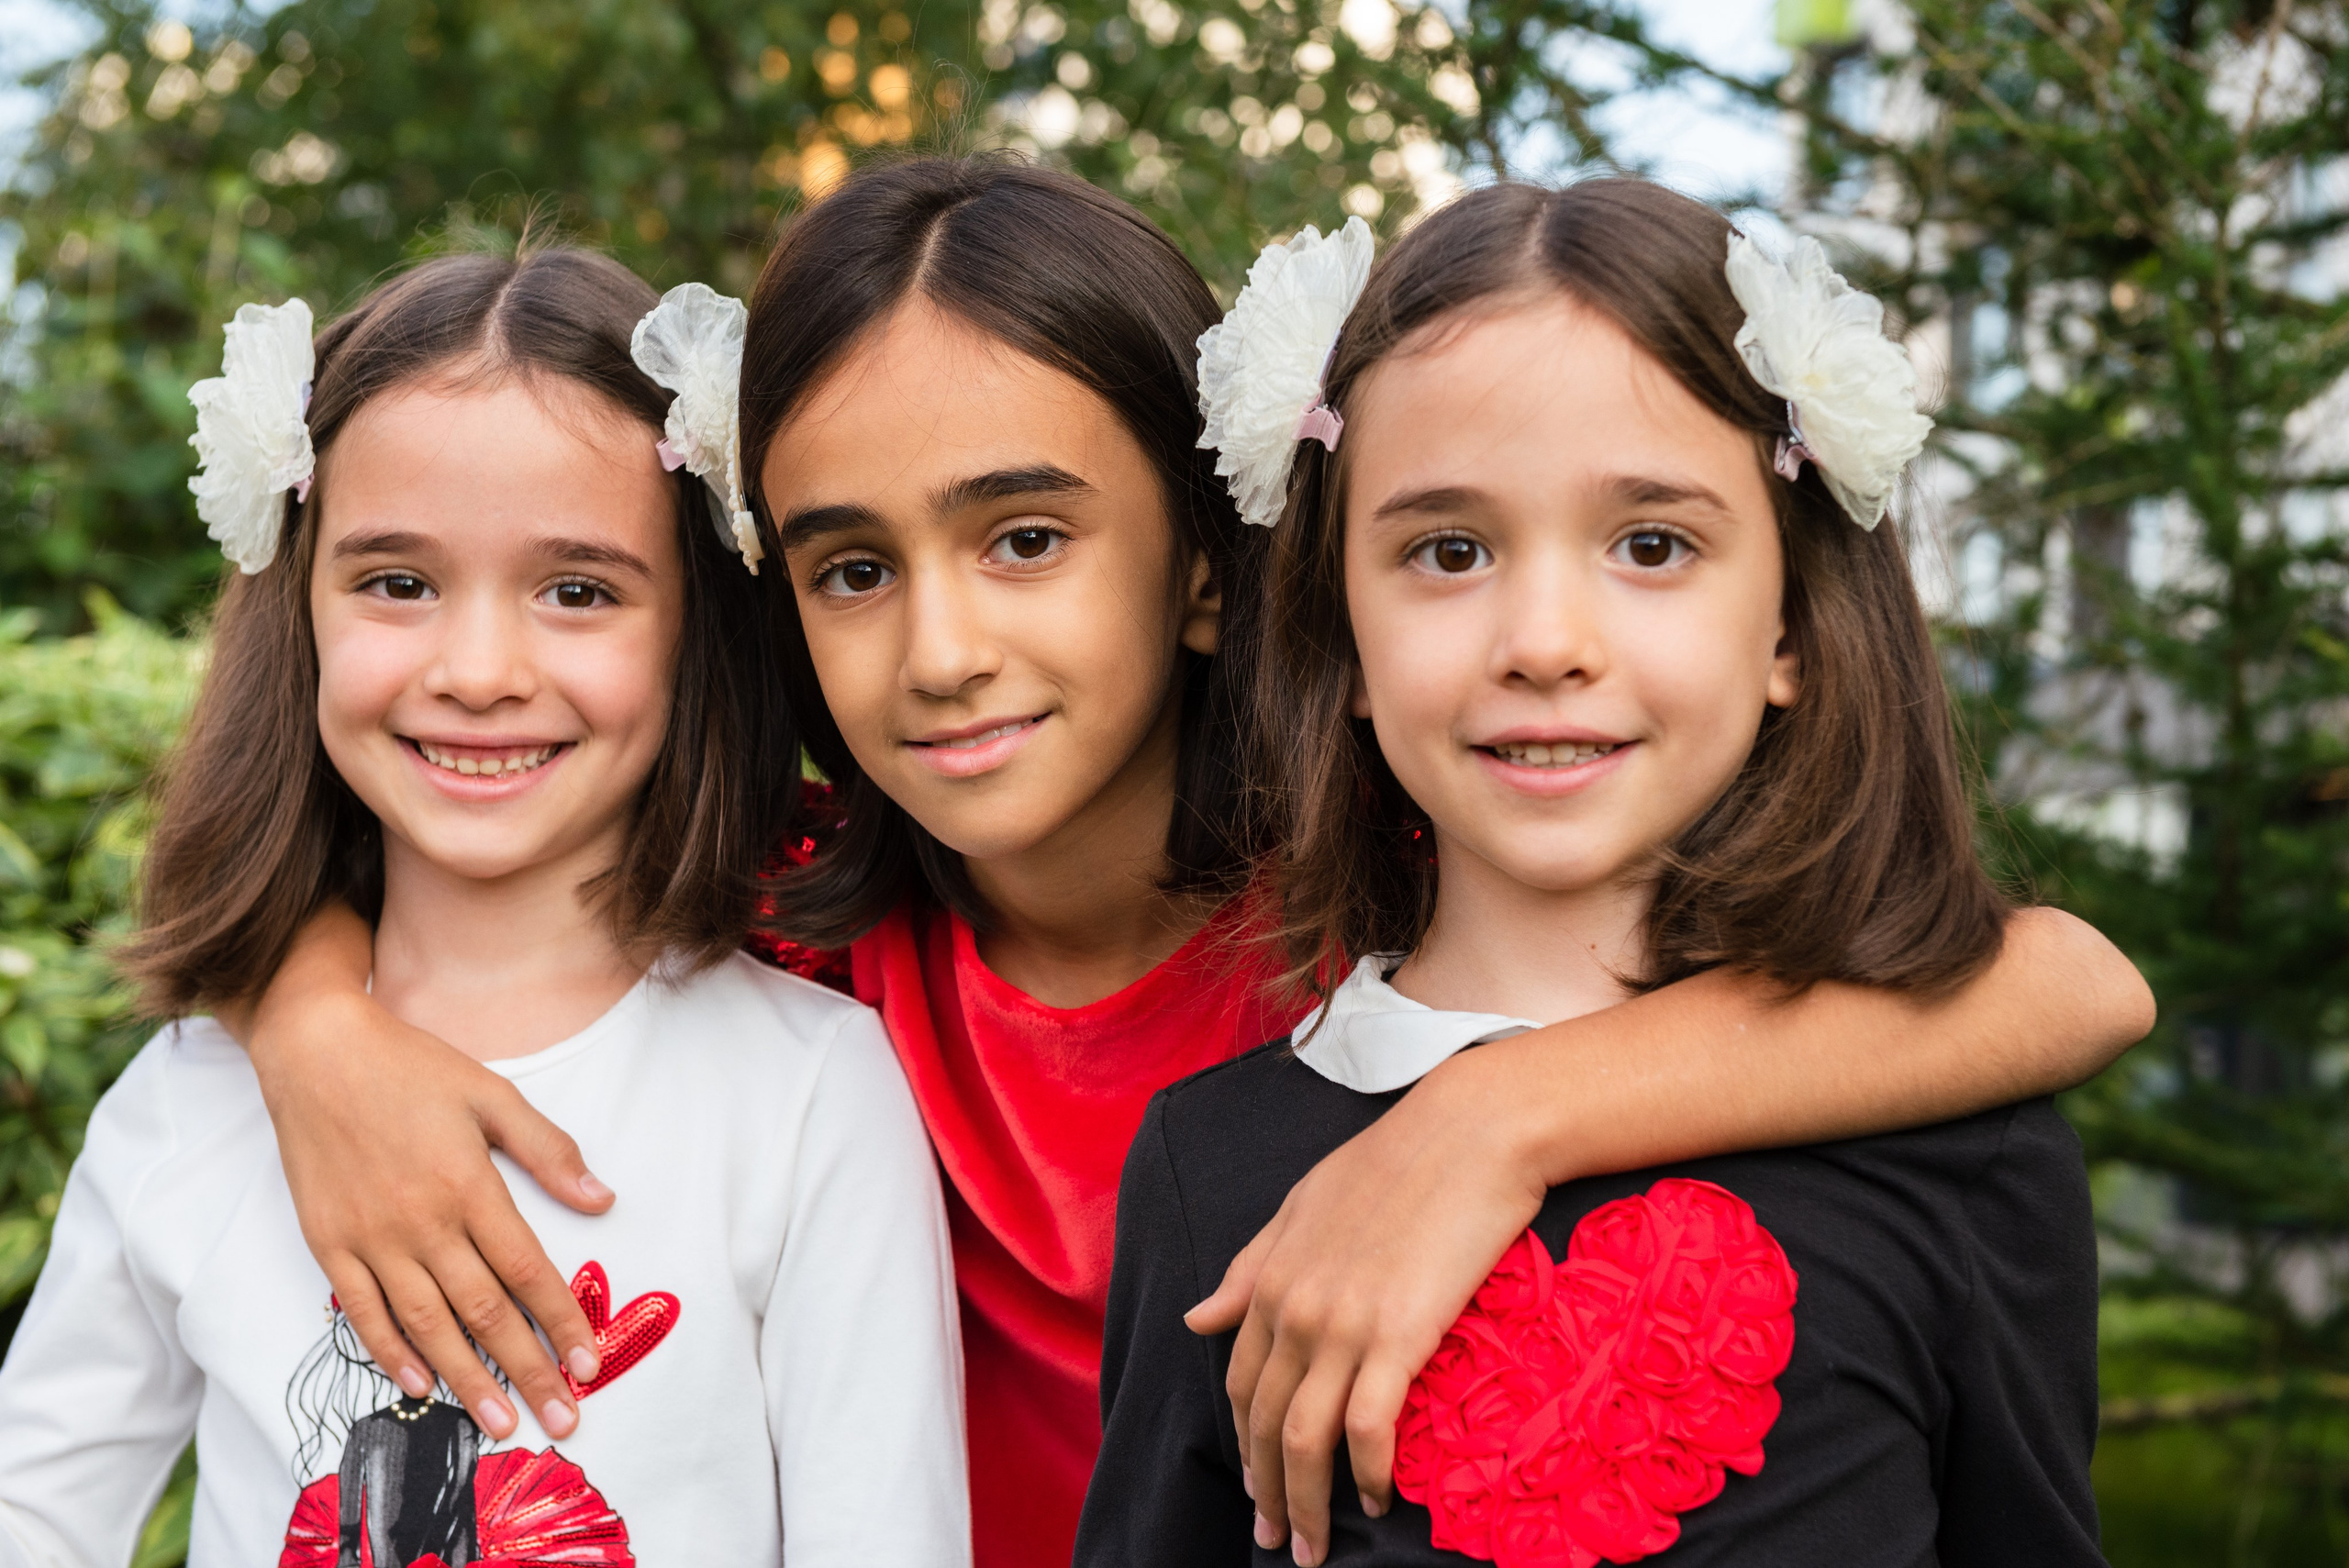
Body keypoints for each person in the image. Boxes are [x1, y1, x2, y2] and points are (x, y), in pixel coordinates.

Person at [227, 159, 2150, 1568]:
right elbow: (434, 858)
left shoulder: (1405, 869)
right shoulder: (778, 934)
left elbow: (2065, 981)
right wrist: (316, 1035)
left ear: (1221, 566)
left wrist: (1491, 1121)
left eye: (1028, 540)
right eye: (851, 568)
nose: (945, 647)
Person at [1079, 178, 2109, 1568]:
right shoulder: (1212, 1171)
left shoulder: (1966, 1151)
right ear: (1345, 638)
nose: (1546, 637)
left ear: (1792, 628)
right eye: (1449, 550)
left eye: (1650, 545)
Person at [0, 249, 968, 1566]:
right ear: (302, 608)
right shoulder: (188, 1101)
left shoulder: (809, 1095)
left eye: (578, 590)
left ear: (698, 629)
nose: (478, 670)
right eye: (397, 581)